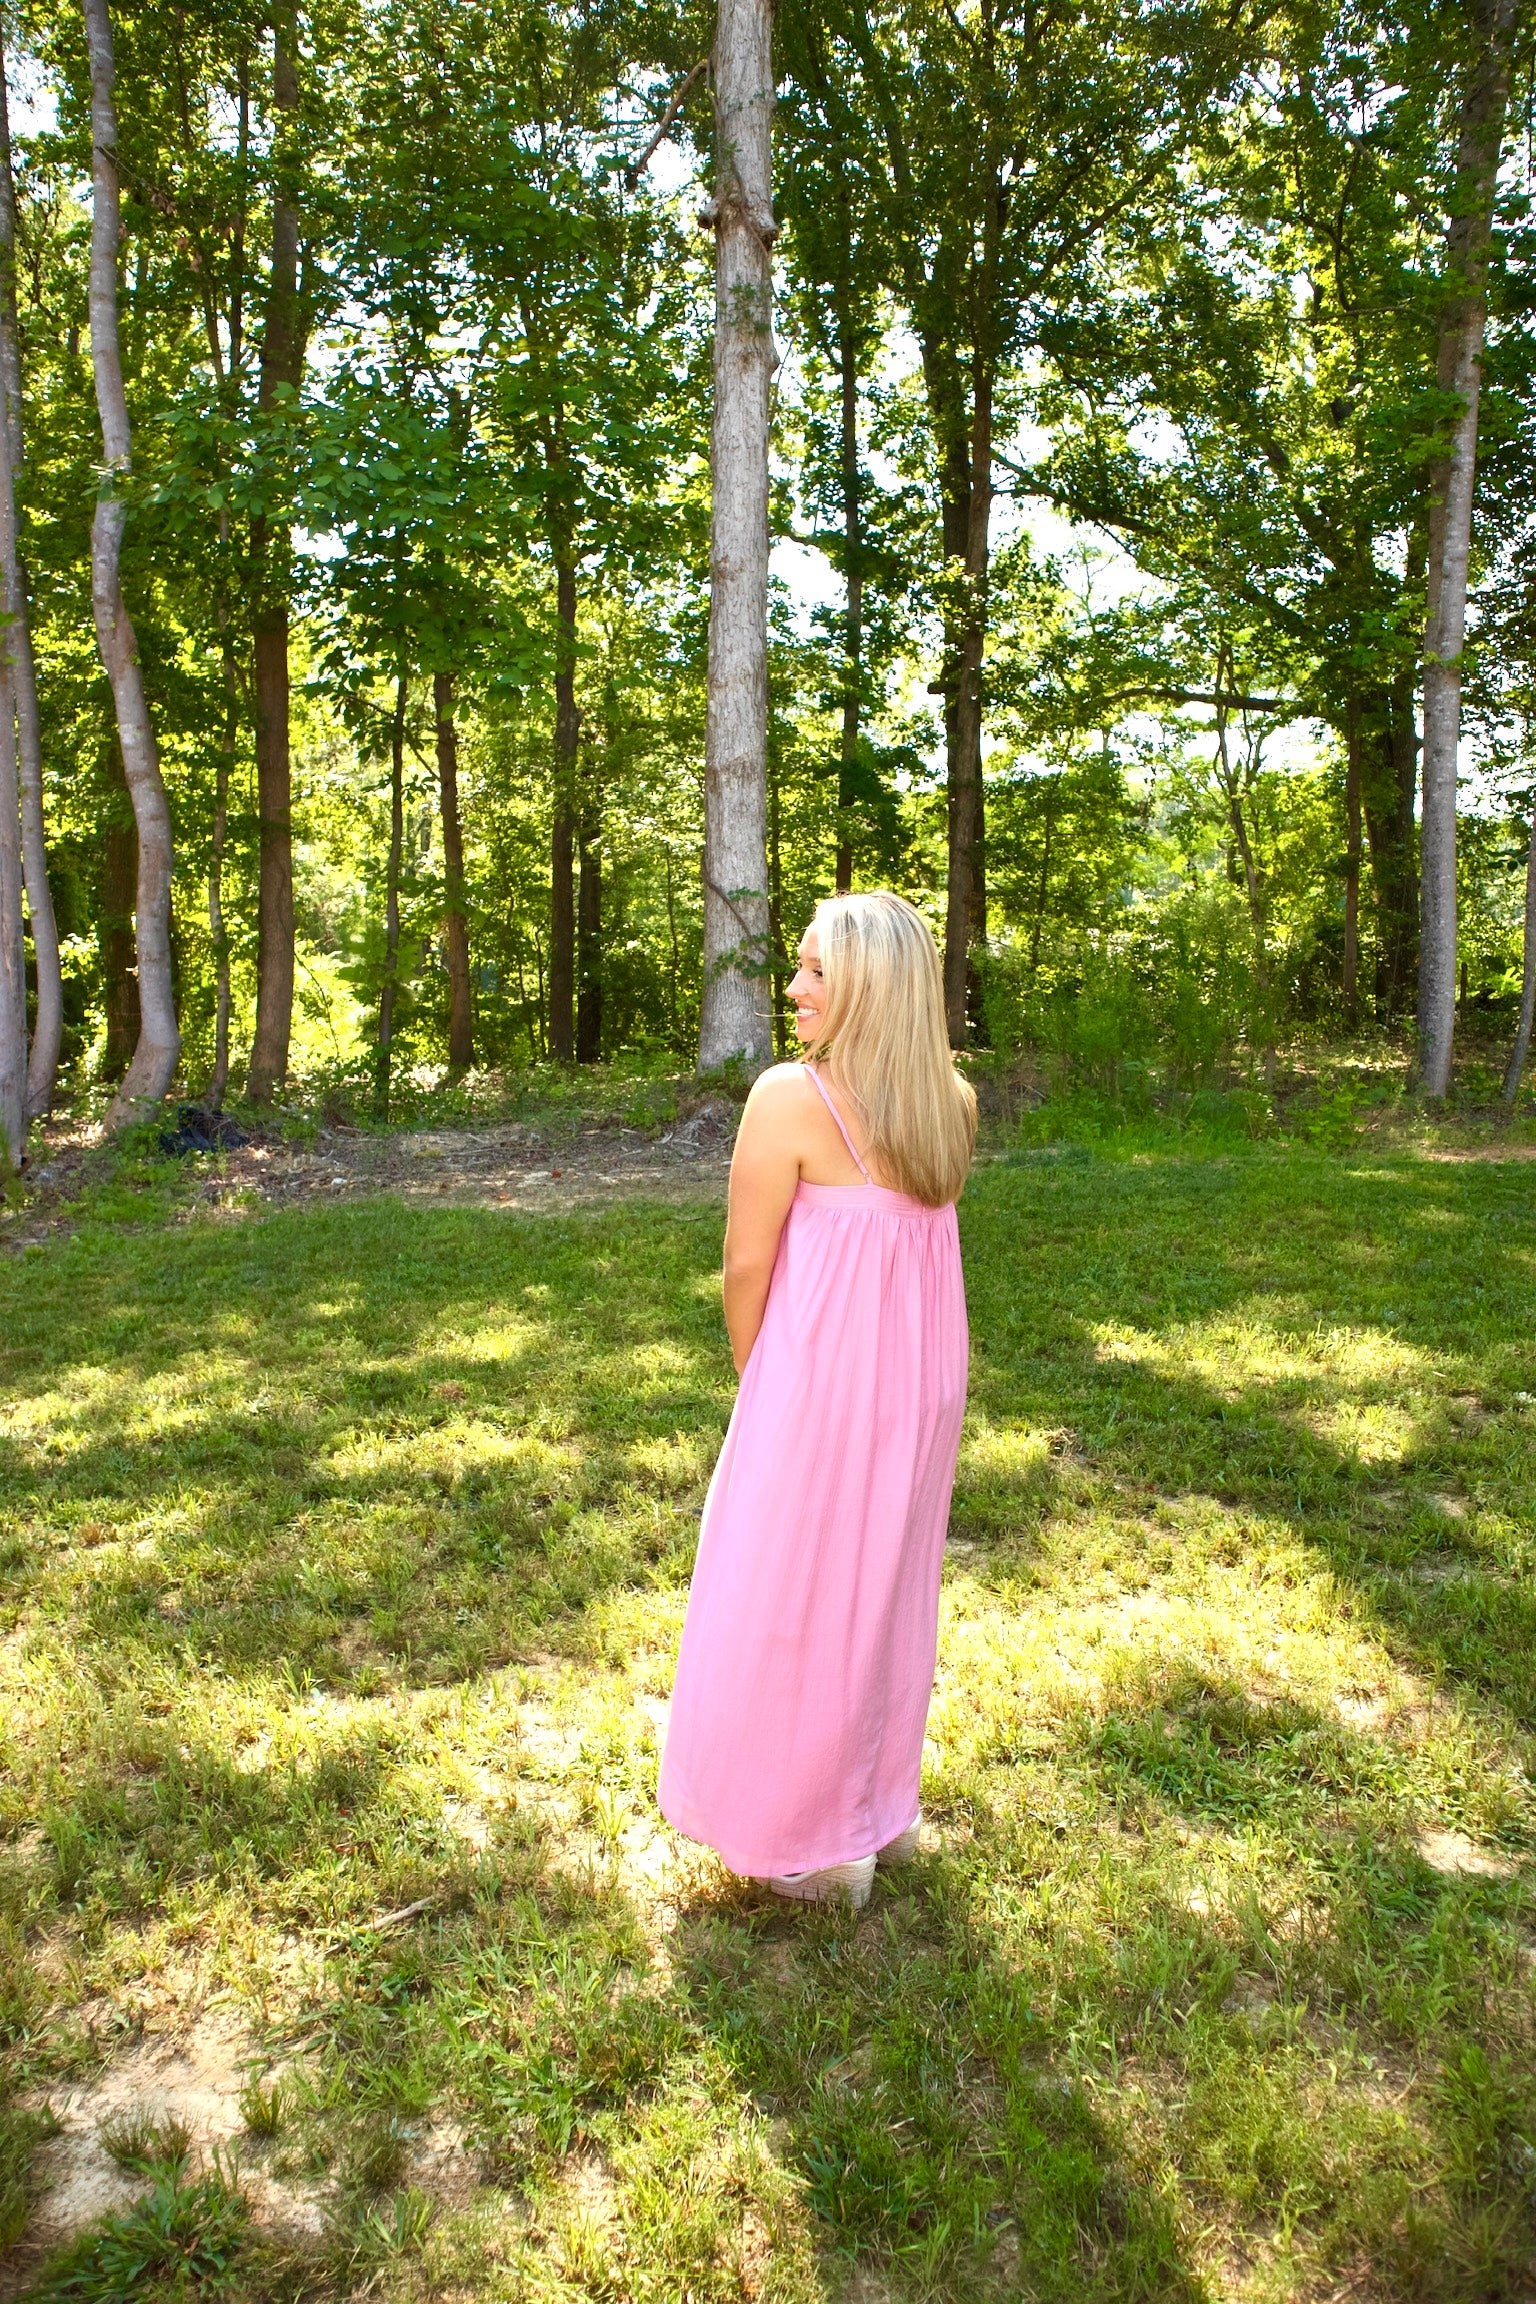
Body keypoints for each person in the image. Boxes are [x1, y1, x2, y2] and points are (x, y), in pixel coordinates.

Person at [658, 891, 976, 1907]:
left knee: (787, 1600)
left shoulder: (790, 1097)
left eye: (814, 972)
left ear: (869, 987)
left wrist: (771, 1387)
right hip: (921, 1384)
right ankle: (871, 1809)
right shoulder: (952, 1104)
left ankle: (801, 1839)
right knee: (880, 1594)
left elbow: (745, 1270)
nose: (793, 989)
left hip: (821, 1385)